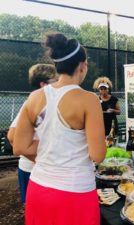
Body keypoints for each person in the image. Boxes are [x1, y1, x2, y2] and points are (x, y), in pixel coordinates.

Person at [13, 32, 106, 225]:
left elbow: (19, 147)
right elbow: (98, 155)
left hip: (38, 188)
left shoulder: (35, 97)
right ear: (82, 66)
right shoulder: (89, 100)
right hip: (75, 192)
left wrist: (52, 146)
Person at [7, 64, 57, 207]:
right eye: (55, 81)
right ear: (43, 84)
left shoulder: (50, 102)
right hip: (33, 170)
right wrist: (39, 161)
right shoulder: (33, 102)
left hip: (43, 169)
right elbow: (12, 136)